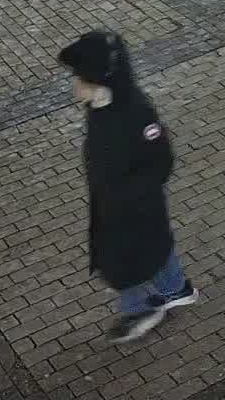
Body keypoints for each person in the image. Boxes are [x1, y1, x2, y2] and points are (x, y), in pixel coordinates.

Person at [58, 30, 199, 343]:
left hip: (132, 203)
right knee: (142, 249)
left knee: (123, 257)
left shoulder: (135, 113)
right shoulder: (99, 106)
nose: (74, 83)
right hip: (112, 199)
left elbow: (161, 161)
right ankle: (173, 289)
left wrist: (128, 194)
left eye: (79, 76)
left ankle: (142, 307)